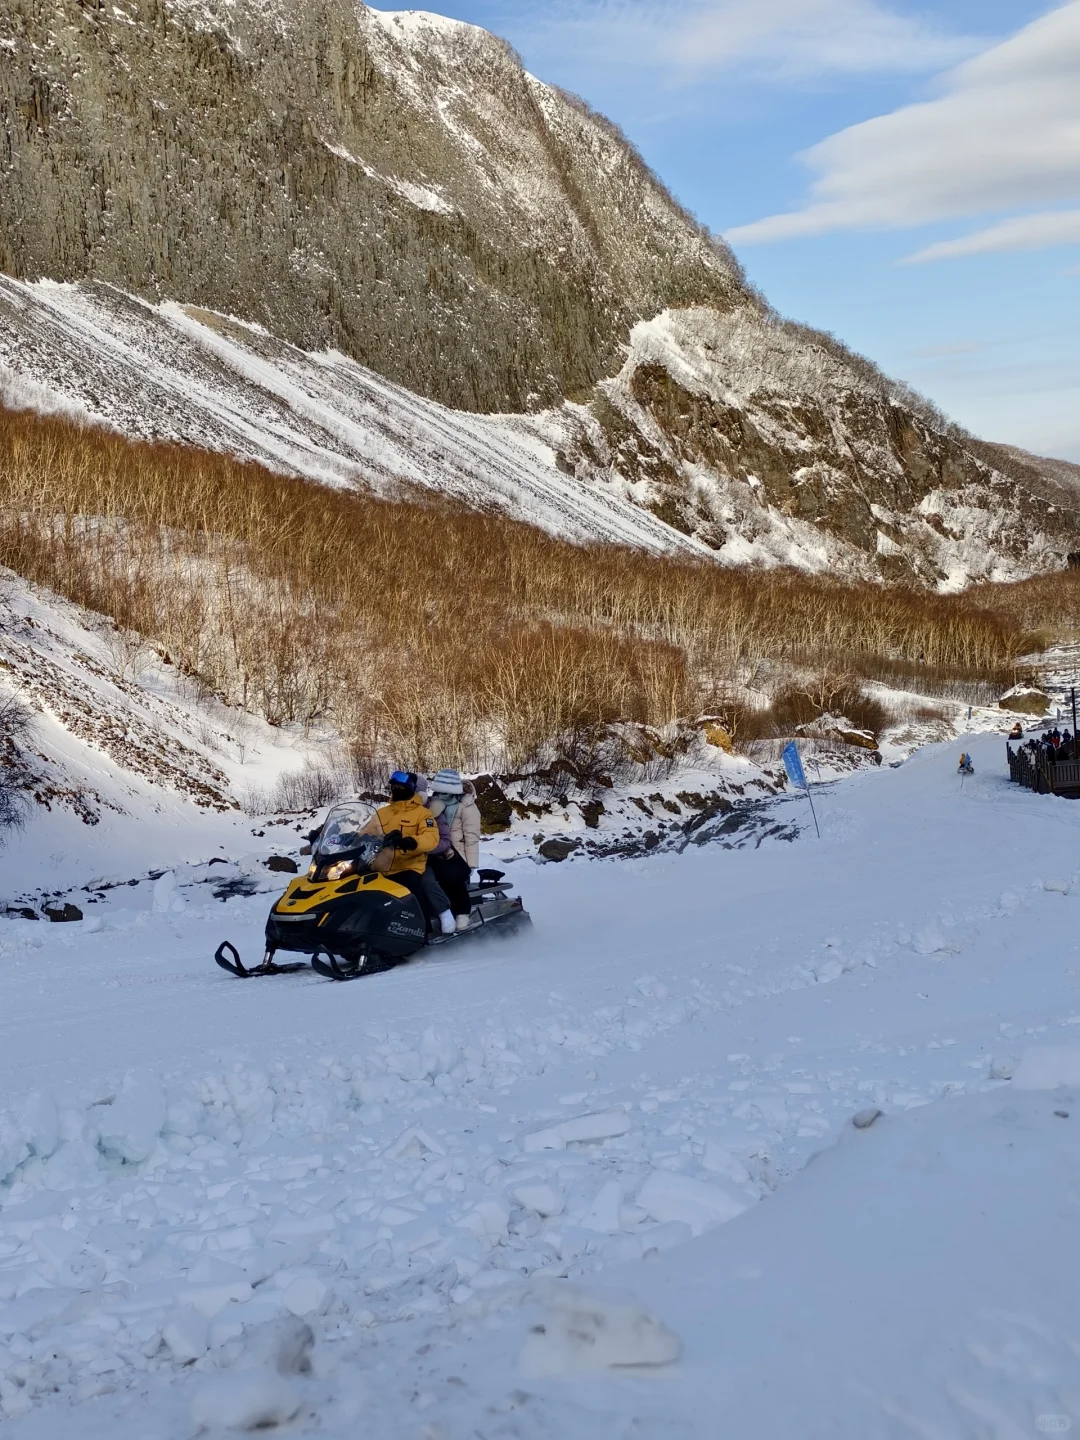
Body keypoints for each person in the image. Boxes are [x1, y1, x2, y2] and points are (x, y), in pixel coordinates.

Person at [377, 770, 455, 936]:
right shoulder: (382, 813)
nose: (396, 788)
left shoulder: (424, 814)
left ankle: (424, 928)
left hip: (412, 864)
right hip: (382, 864)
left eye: (400, 786)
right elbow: (366, 832)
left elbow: (431, 836)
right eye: (394, 785)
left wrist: (411, 842)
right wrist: (344, 837)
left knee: (419, 885)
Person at [426, 769, 482, 931]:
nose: (441, 793)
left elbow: (472, 837)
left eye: (444, 790)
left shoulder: (466, 806)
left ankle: (462, 914)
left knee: (455, 883)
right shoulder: (432, 803)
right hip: (435, 851)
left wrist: (470, 864)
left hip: (457, 853)